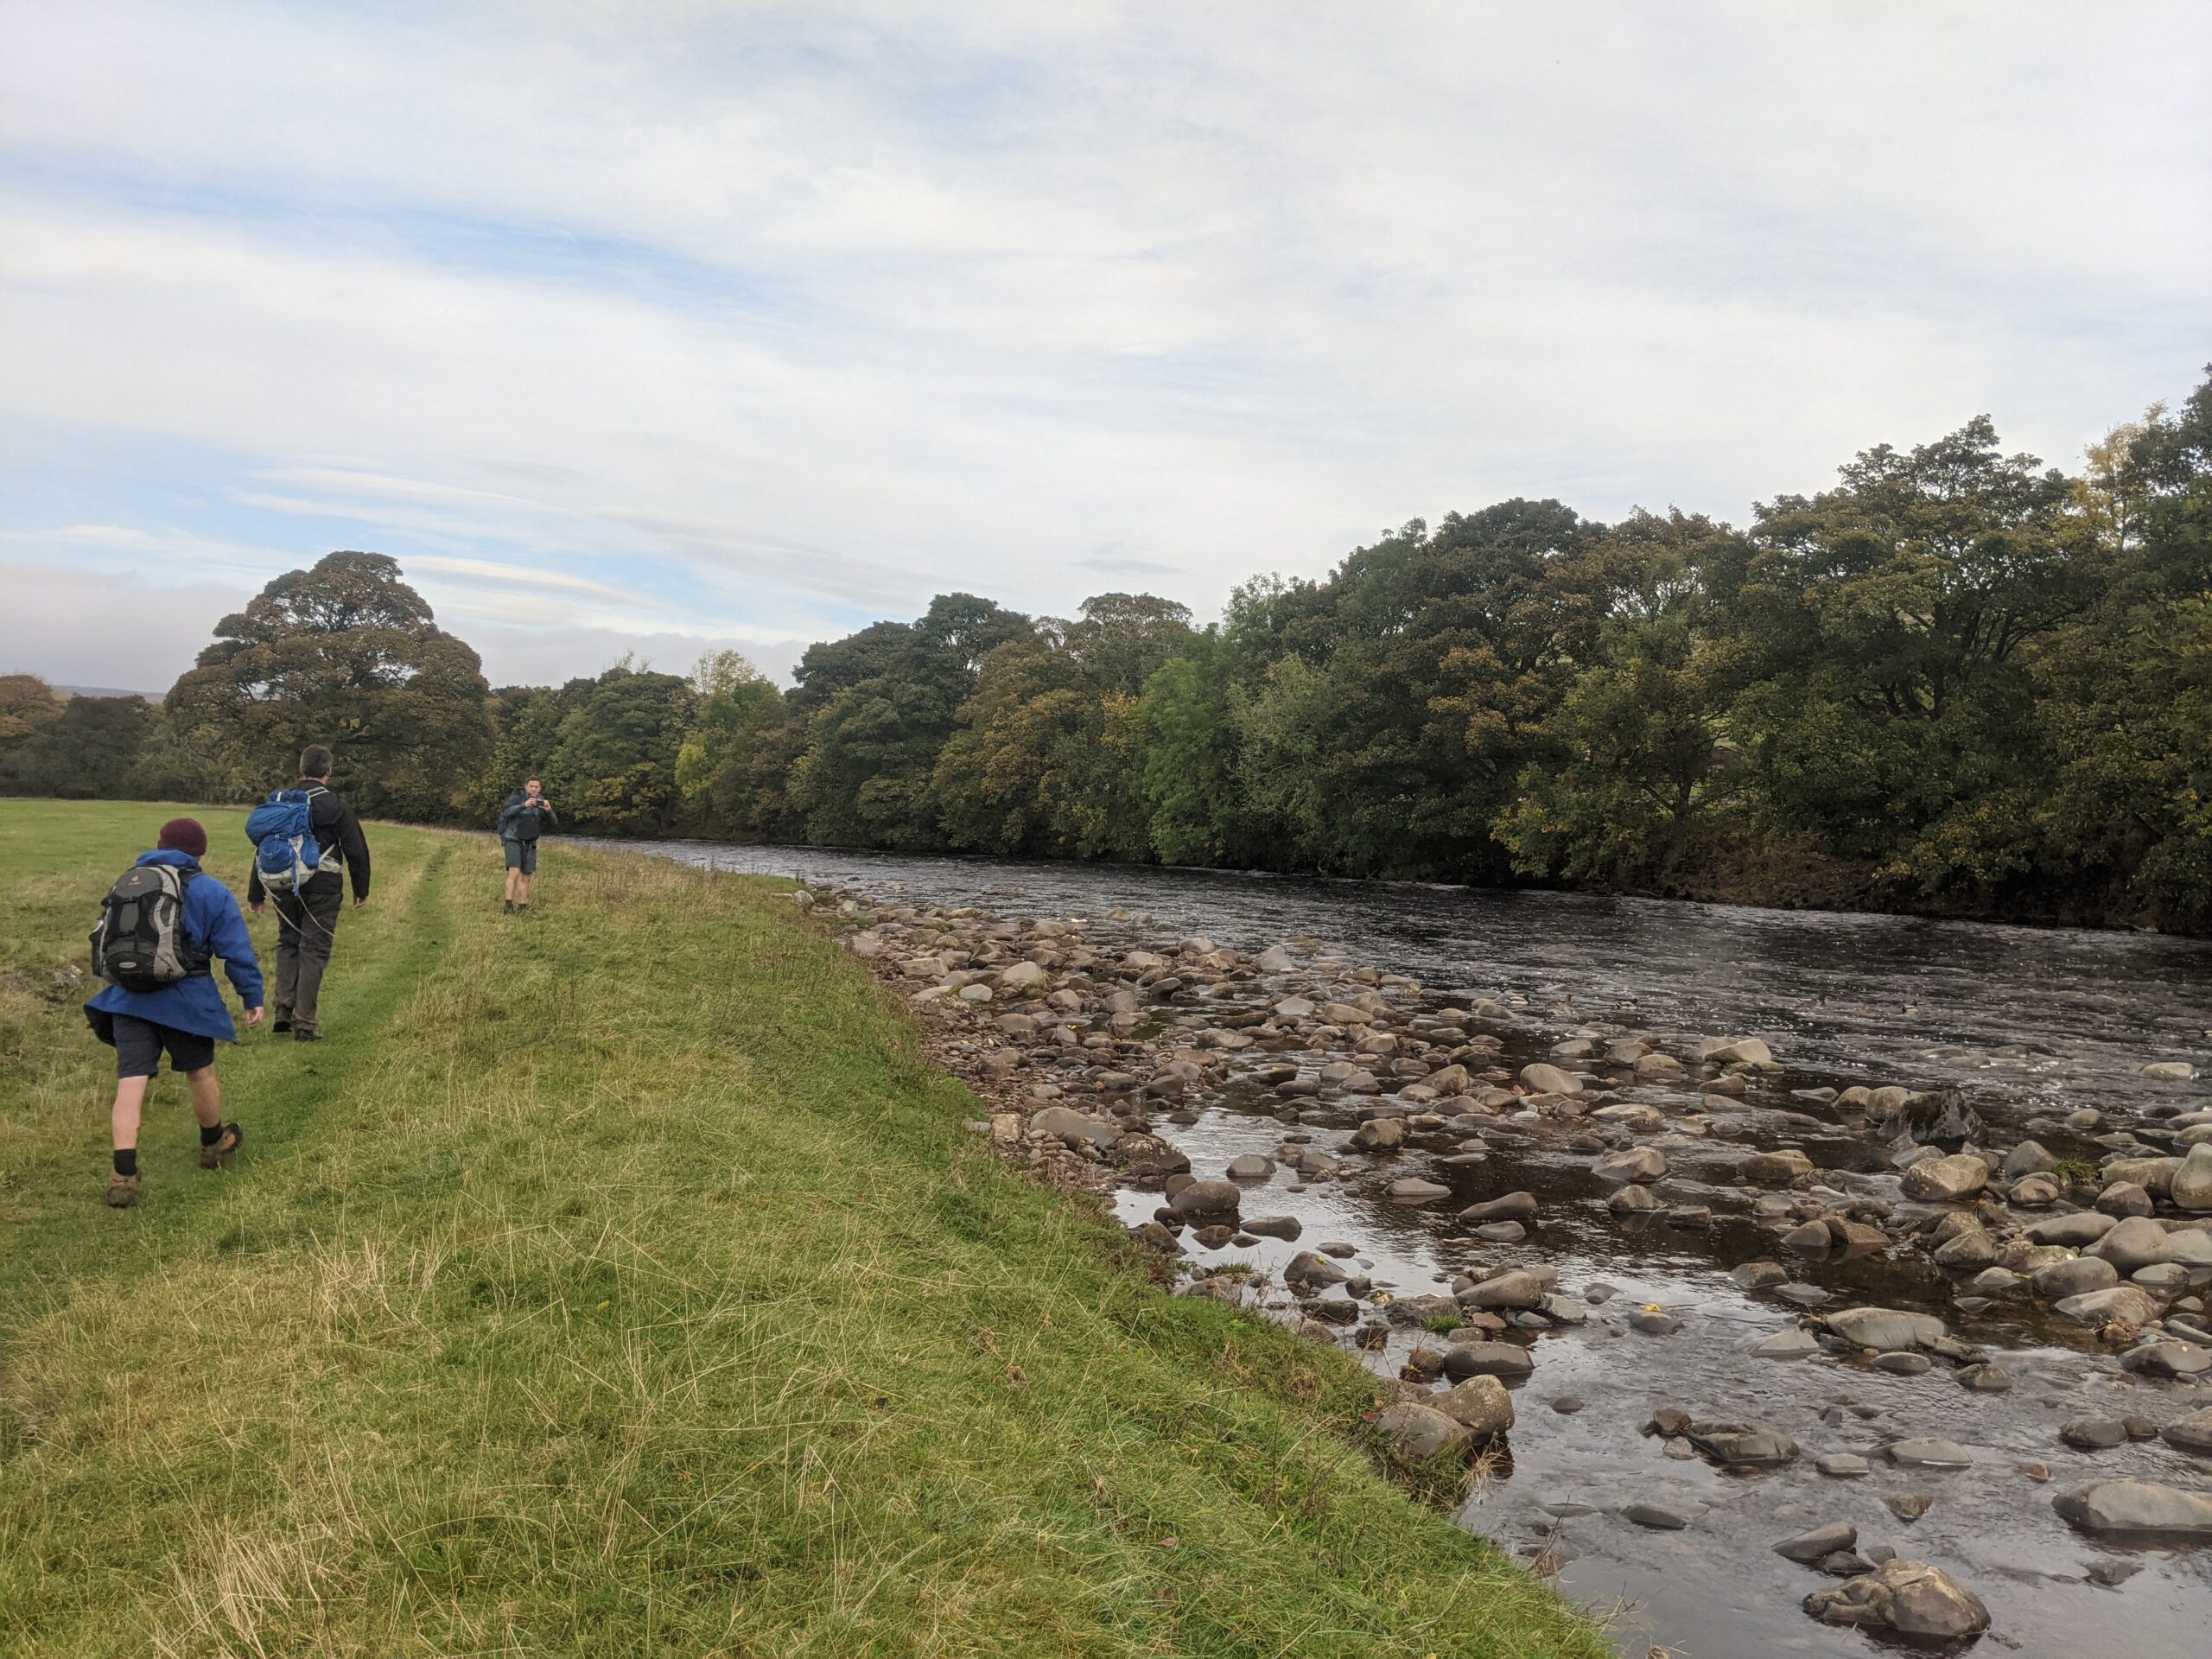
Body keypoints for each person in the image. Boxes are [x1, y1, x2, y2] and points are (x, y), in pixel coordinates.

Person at [85, 817, 264, 1207]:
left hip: (127, 999)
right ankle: (213, 1144)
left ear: (159, 844)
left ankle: (123, 1174)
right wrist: (252, 996)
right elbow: (235, 951)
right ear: (199, 853)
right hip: (186, 1000)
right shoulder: (209, 891)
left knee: (131, 1083)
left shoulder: (127, 883)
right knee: (200, 1072)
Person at [247, 743, 370, 1041]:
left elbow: (263, 847)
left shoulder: (281, 802)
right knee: (313, 949)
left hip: (283, 883)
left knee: (288, 942)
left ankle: (283, 1011)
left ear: (300, 770)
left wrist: (256, 893)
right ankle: (304, 1023)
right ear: (329, 772)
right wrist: (361, 888)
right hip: (323, 885)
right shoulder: (336, 805)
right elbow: (356, 850)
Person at [496, 778, 557, 913]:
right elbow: (506, 813)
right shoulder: (517, 798)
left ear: (540, 788)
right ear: (526, 786)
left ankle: (522, 907)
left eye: (536, 786)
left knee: (527, 876)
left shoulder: (540, 802)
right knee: (514, 872)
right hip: (512, 838)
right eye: (531, 786)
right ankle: (508, 906)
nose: (534, 789)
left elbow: (554, 823)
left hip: (530, 841)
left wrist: (549, 810)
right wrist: (524, 805)